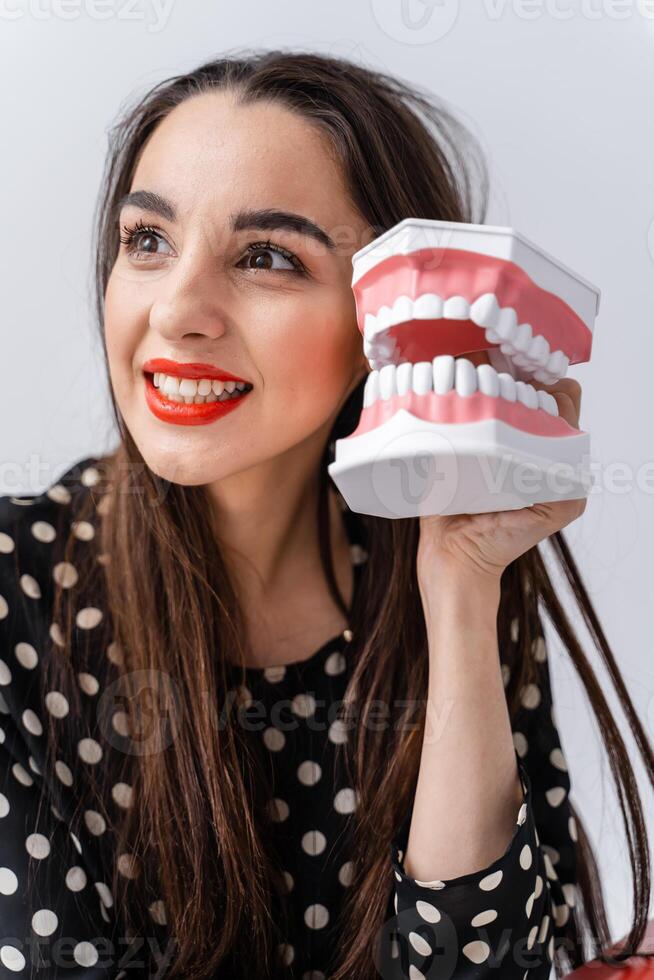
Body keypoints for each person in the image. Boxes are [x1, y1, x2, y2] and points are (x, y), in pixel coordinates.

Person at [0, 50, 651, 980]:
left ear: (383, 325)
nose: (179, 310)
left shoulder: (447, 586)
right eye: (148, 241)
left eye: (266, 257)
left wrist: (462, 597)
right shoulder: (14, 590)